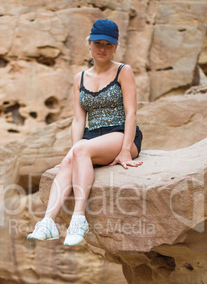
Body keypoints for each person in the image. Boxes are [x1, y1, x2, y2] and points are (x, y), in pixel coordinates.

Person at [27, 18, 143, 247]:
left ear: (115, 47)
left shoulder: (123, 71)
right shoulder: (79, 78)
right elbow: (79, 119)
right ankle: (48, 222)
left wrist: (125, 150)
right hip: (92, 137)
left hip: (120, 133)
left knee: (80, 149)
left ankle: (78, 219)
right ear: (89, 43)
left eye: (108, 44)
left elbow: (131, 113)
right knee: (70, 158)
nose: (102, 49)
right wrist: (73, 152)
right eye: (98, 43)